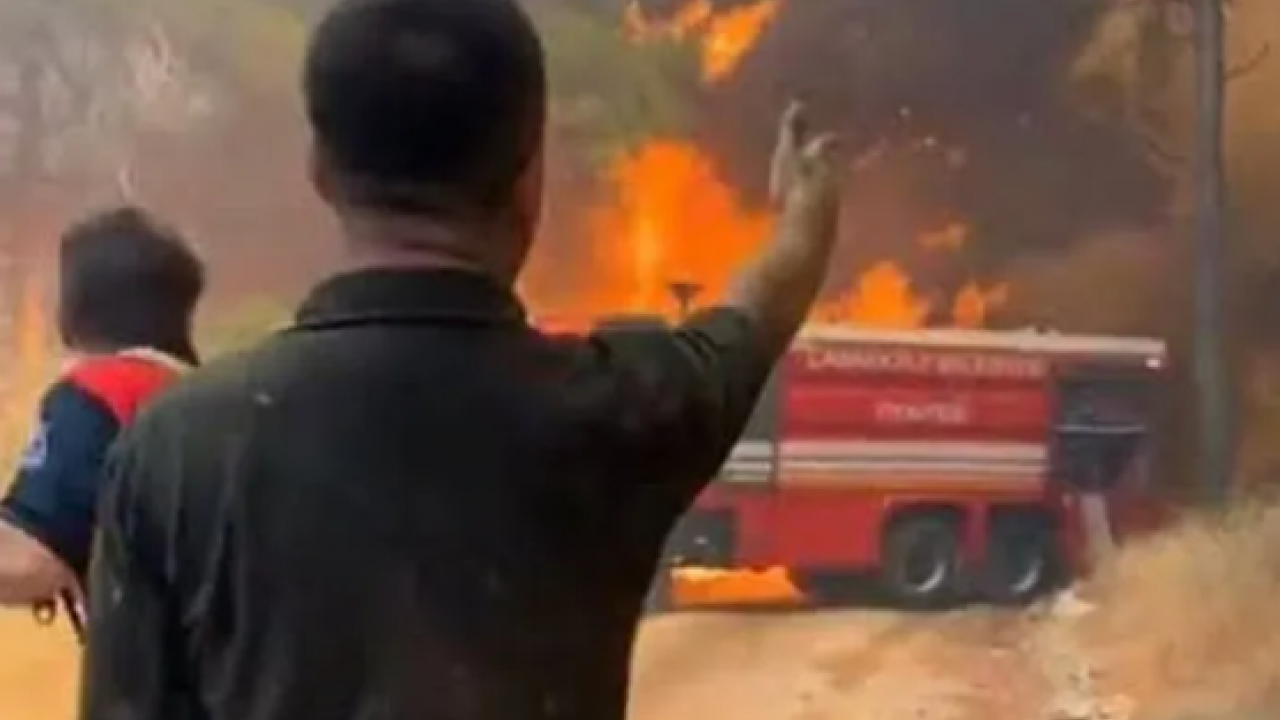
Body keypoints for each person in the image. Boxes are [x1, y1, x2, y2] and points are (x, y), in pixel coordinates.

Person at [79, 1, 843, 719]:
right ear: (530, 178)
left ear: (318, 167)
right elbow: (740, 332)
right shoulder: (621, 411)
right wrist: (804, 222)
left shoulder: (170, 449)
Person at [0, 206, 204, 633]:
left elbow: (26, 560)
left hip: (167, 686)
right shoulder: (204, 393)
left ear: (77, 304)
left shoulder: (103, 392)